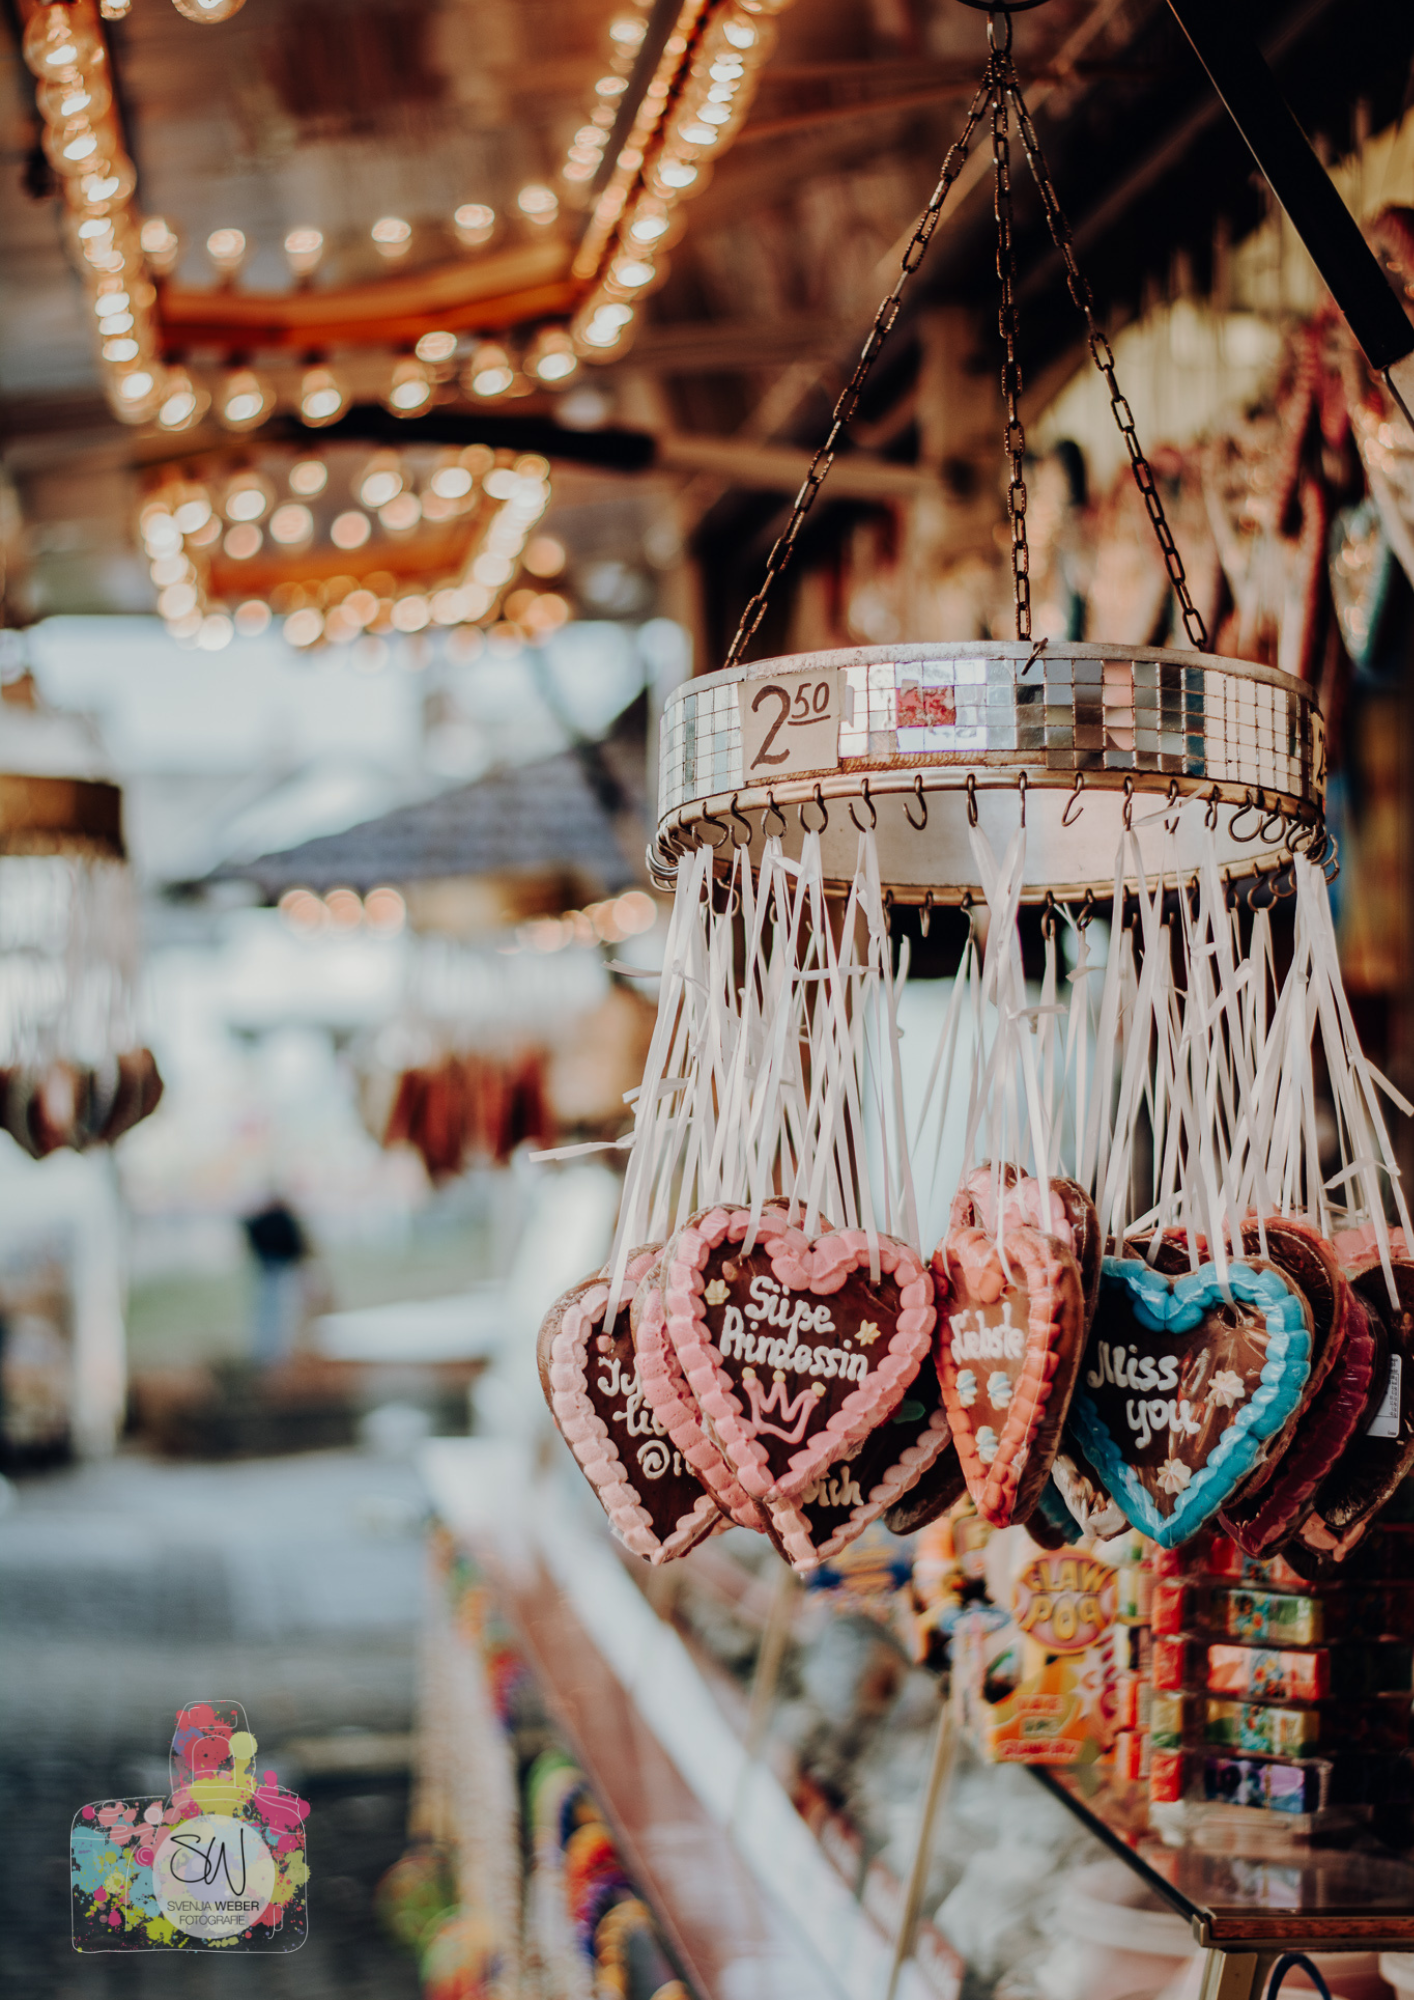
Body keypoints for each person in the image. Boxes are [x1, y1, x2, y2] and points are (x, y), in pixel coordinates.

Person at [242, 1196, 309, 1370]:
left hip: (277, 1271)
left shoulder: (269, 1222)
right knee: (278, 1316)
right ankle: (274, 1358)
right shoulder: (279, 1221)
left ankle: (276, 1358)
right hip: (277, 1272)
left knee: (277, 1317)